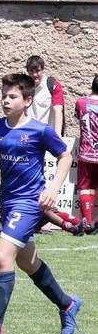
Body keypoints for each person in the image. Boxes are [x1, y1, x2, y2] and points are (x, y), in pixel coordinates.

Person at [0, 74, 83, 334]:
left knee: (2, 257)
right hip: (7, 202)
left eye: (12, 96)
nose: (6, 100)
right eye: (4, 95)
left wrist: (53, 189)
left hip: (29, 203)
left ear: (28, 100)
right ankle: (67, 304)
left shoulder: (40, 131)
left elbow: (65, 156)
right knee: (27, 262)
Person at [74, 75, 98, 230]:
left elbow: (79, 119)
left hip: (86, 152)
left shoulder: (81, 102)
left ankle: (88, 223)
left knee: (85, 188)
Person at [24, 55, 64, 134]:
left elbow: (58, 110)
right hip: (29, 134)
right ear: (27, 72)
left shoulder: (53, 85)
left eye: (37, 70)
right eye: (31, 71)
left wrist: (58, 135)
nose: (35, 74)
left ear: (43, 70)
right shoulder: (24, 87)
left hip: (47, 134)